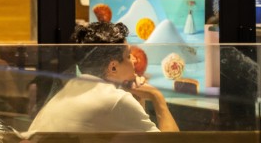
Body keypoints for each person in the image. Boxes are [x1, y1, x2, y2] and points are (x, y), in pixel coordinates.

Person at [23, 21, 178, 137]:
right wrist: (157, 97)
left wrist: (136, 95)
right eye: (128, 56)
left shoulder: (73, 87)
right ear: (113, 68)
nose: (134, 61)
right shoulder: (115, 100)